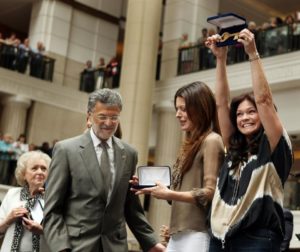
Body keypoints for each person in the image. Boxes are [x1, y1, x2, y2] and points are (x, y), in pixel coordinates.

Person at [43, 88, 165, 252]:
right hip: (76, 247)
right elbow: (52, 210)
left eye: (114, 117)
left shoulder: (129, 154)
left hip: (115, 247)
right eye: (102, 117)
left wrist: (152, 243)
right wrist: (61, 248)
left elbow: (132, 208)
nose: (108, 123)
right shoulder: (66, 150)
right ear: (89, 116)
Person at [205, 28, 293, 251]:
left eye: (251, 112)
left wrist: (252, 53)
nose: (244, 118)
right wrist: (221, 59)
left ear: (264, 115)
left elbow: (263, 99)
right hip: (219, 238)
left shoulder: (274, 144)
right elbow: (221, 104)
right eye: (240, 114)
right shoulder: (234, 145)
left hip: (256, 239)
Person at [132, 82, 224, 252]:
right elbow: (178, 190)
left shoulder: (212, 140)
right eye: (177, 108)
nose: (177, 114)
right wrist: (157, 188)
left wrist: (169, 193)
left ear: (200, 108)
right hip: (178, 235)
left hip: (198, 234)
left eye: (183, 108)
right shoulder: (188, 145)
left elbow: (210, 192)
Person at [0, 151, 51, 252]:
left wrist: (42, 230)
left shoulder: (52, 198)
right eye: (34, 168)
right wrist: (8, 219)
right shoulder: (12, 194)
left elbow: (61, 234)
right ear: (23, 174)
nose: (40, 172)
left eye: (44, 168)